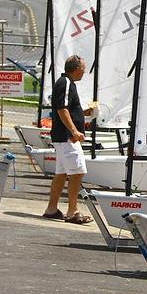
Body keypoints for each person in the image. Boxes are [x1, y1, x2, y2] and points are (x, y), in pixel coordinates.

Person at [42, 55, 95, 224]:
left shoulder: (67, 83)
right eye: (83, 68)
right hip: (67, 138)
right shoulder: (65, 83)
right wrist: (74, 131)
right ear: (76, 68)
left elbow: (67, 108)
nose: (85, 71)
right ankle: (73, 212)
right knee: (77, 172)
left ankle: (52, 209)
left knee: (62, 173)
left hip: (63, 137)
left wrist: (82, 113)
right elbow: (62, 108)